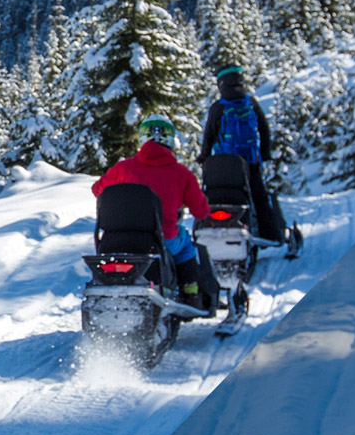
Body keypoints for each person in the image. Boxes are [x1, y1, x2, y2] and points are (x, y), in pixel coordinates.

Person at [93, 114, 219, 311]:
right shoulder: (181, 173)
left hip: (114, 241)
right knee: (186, 244)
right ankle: (191, 293)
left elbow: (98, 190)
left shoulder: (122, 168)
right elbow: (200, 210)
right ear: (170, 140)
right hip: (161, 240)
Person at [199, 65, 288, 242]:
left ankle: (208, 232)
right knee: (259, 198)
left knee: (219, 196)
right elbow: (264, 129)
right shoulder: (250, 103)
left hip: (225, 164)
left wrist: (205, 158)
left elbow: (209, 135)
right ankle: (271, 235)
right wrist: (264, 154)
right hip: (250, 162)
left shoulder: (218, 107)